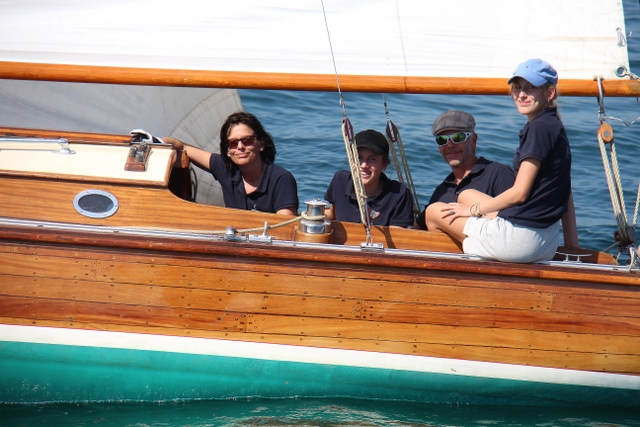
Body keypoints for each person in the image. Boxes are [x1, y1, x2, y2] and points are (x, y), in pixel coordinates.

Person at [425, 58, 579, 262]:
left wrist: (473, 211)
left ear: (549, 93)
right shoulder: (554, 125)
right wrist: (572, 246)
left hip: (518, 242)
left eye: (530, 88)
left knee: (435, 212)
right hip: (545, 239)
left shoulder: (538, 129)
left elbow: (519, 194)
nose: (522, 94)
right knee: (466, 195)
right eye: (517, 87)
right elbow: (564, 189)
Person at [165, 112, 298, 215]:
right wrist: (156, 141)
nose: (240, 147)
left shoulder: (281, 179)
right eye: (233, 143)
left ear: (261, 144)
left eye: (247, 140)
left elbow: (284, 227)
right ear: (227, 150)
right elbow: (183, 147)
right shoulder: (226, 169)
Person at [415, 110, 514, 230]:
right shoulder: (442, 190)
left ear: (473, 141)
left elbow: (516, 223)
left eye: (458, 137)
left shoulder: (498, 174)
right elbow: (418, 229)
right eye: (442, 140)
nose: (450, 145)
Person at [324, 129, 414, 227]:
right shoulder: (340, 180)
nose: (364, 165)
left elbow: (397, 237)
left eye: (372, 159)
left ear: (384, 164)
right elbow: (332, 214)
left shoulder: (399, 194)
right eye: (359, 157)